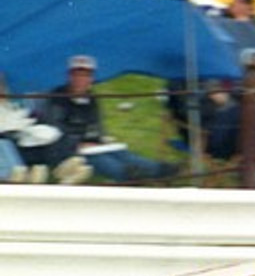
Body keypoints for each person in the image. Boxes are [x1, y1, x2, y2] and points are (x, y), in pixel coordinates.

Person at [42, 55, 177, 183]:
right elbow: (53, 129)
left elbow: (96, 124)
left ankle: (157, 169)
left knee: (120, 153)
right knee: (98, 159)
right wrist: (76, 143)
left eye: (86, 76)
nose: (81, 80)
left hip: (91, 144)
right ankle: (127, 174)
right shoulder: (56, 99)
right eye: (78, 75)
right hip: (65, 149)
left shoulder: (91, 99)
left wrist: (99, 138)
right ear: (70, 76)